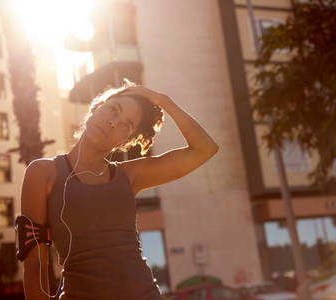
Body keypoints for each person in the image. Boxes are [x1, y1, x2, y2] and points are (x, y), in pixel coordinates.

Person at [18, 80, 219, 300]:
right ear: (96, 106)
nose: (114, 123)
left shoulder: (131, 175)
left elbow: (205, 149)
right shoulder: (43, 173)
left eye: (126, 125)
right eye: (113, 110)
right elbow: (34, 262)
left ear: (127, 140)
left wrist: (163, 101)